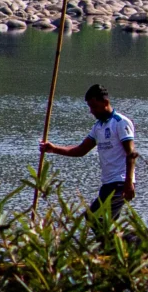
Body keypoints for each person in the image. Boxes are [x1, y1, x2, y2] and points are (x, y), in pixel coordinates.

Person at [41, 83, 138, 215]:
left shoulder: (120, 122)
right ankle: (120, 236)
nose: (91, 111)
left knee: (94, 218)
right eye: (90, 107)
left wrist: (128, 182)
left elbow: (131, 153)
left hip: (120, 183)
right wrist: (54, 149)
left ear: (105, 102)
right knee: (102, 223)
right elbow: (81, 150)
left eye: (94, 106)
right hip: (107, 183)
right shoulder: (98, 127)